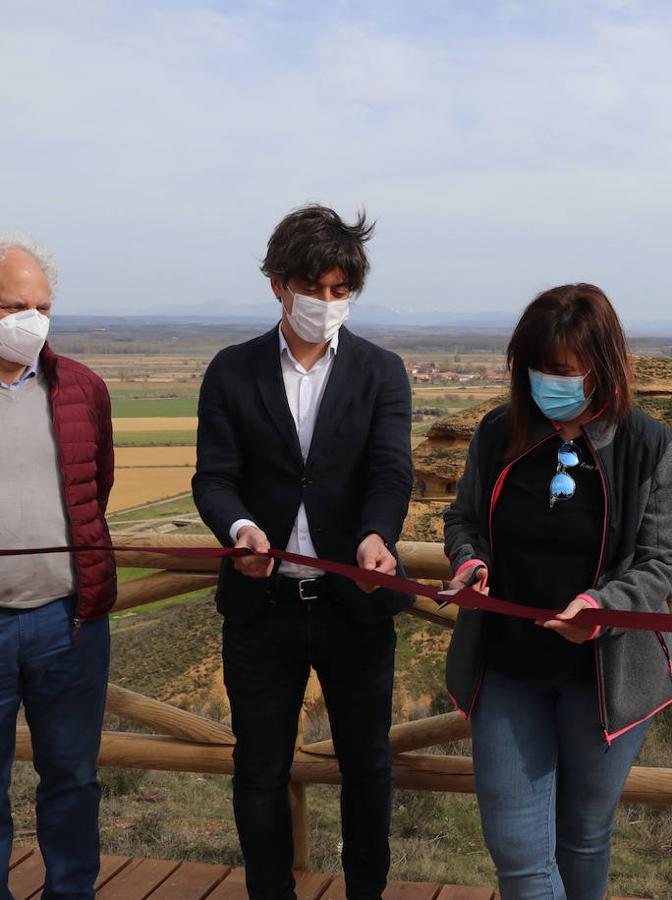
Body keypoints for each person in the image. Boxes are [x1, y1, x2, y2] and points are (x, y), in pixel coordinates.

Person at [442, 283, 672, 900]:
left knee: (583, 840)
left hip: (604, 680)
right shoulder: (498, 433)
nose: (545, 382)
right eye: (533, 369)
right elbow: (464, 520)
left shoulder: (650, 446)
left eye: (561, 371)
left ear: (603, 368)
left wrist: (604, 609)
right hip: (508, 670)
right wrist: (469, 561)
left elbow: (664, 562)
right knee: (521, 859)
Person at [192, 205, 413, 899]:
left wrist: (378, 535)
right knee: (258, 769)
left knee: (369, 768)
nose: (326, 303)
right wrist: (240, 532)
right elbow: (214, 478)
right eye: (312, 287)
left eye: (340, 289)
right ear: (277, 284)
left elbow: (390, 472)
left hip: (357, 607)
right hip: (263, 609)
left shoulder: (383, 371)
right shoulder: (231, 371)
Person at [0, 232, 115, 898]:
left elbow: (91, 492)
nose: (31, 321)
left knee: (72, 780)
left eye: (41, 307)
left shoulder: (83, 389)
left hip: (66, 623)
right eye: (16, 305)